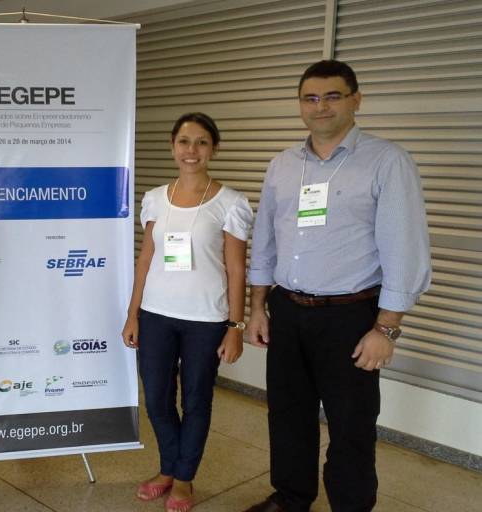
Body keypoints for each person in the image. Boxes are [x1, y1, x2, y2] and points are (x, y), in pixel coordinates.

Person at [244, 60, 431, 512]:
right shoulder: (283, 165)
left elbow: (404, 249)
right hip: (287, 310)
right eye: (310, 98)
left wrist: (386, 328)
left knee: (352, 425)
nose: (320, 106)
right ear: (300, 104)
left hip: (351, 316)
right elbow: (265, 240)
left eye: (333, 96)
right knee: (288, 414)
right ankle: (291, 498)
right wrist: (257, 308)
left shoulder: (387, 161)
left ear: (355, 100)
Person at [122, 112, 253, 512]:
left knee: (196, 401)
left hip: (206, 320)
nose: (191, 150)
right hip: (155, 314)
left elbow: (236, 269)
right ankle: (168, 468)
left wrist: (235, 326)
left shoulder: (231, 203)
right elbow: (146, 259)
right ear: (172, 146)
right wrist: (133, 314)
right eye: (183, 141)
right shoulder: (154, 199)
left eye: (201, 142)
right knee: (157, 400)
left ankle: (183, 479)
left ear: (214, 148)